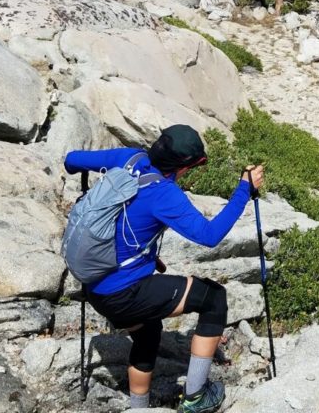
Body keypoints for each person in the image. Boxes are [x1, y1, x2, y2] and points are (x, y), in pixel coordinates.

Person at [64, 124, 264, 413]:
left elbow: (71, 159)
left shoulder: (129, 158)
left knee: (148, 332)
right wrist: (244, 189)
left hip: (94, 286)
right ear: (183, 165)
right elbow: (209, 236)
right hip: (124, 294)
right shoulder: (164, 194)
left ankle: (140, 408)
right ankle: (196, 398)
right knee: (213, 298)